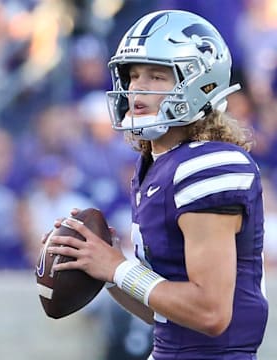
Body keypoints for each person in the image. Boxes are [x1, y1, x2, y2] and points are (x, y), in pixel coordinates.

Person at [43, 10, 269, 359]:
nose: (136, 88)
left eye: (156, 75)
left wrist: (118, 268)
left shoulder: (209, 166)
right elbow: (165, 315)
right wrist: (102, 268)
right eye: (133, 75)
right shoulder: (155, 166)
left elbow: (210, 313)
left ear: (199, 82)